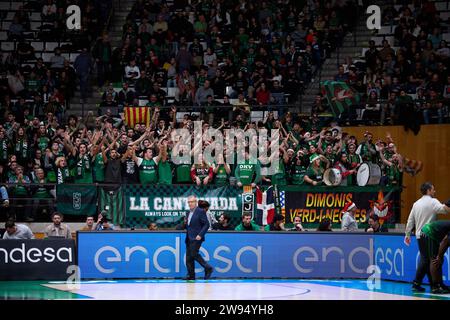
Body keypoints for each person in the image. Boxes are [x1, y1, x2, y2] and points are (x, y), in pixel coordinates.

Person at [404, 182, 450, 292]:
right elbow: (444, 210)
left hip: (419, 235)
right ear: (428, 190)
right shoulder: (433, 201)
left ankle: (433, 284)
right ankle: (432, 285)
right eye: (433, 190)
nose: (434, 191)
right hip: (430, 235)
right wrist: (447, 203)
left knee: (427, 259)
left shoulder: (416, 203)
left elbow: (410, 220)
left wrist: (407, 234)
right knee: (431, 259)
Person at [184, 195, 213, 280]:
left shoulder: (200, 211)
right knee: (188, 258)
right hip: (189, 237)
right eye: (189, 202)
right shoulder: (188, 213)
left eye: (192, 202)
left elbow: (206, 224)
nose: (190, 204)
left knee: (194, 254)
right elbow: (189, 225)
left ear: (195, 202)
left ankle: (208, 267)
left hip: (197, 237)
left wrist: (200, 235)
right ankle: (191, 275)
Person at [420, 219, 450, 294]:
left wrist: (440, 256)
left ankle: (440, 284)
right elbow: (445, 242)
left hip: (433, 234)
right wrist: (439, 256)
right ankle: (435, 287)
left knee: (439, 259)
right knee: (435, 259)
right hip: (429, 232)